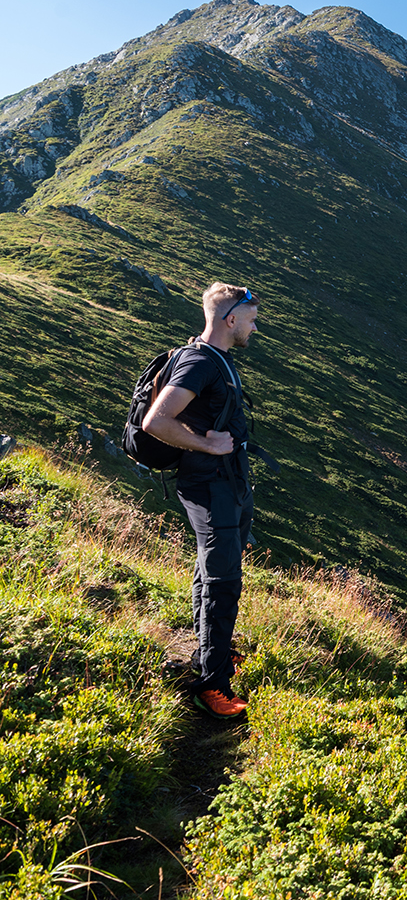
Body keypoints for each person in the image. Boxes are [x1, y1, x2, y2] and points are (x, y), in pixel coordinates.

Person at [144, 283, 259, 719]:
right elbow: (158, 420)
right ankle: (212, 686)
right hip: (210, 486)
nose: (254, 326)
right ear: (230, 319)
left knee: (211, 572)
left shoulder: (214, 359)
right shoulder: (198, 362)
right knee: (222, 582)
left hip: (226, 485)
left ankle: (210, 653)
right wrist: (207, 447)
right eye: (251, 318)